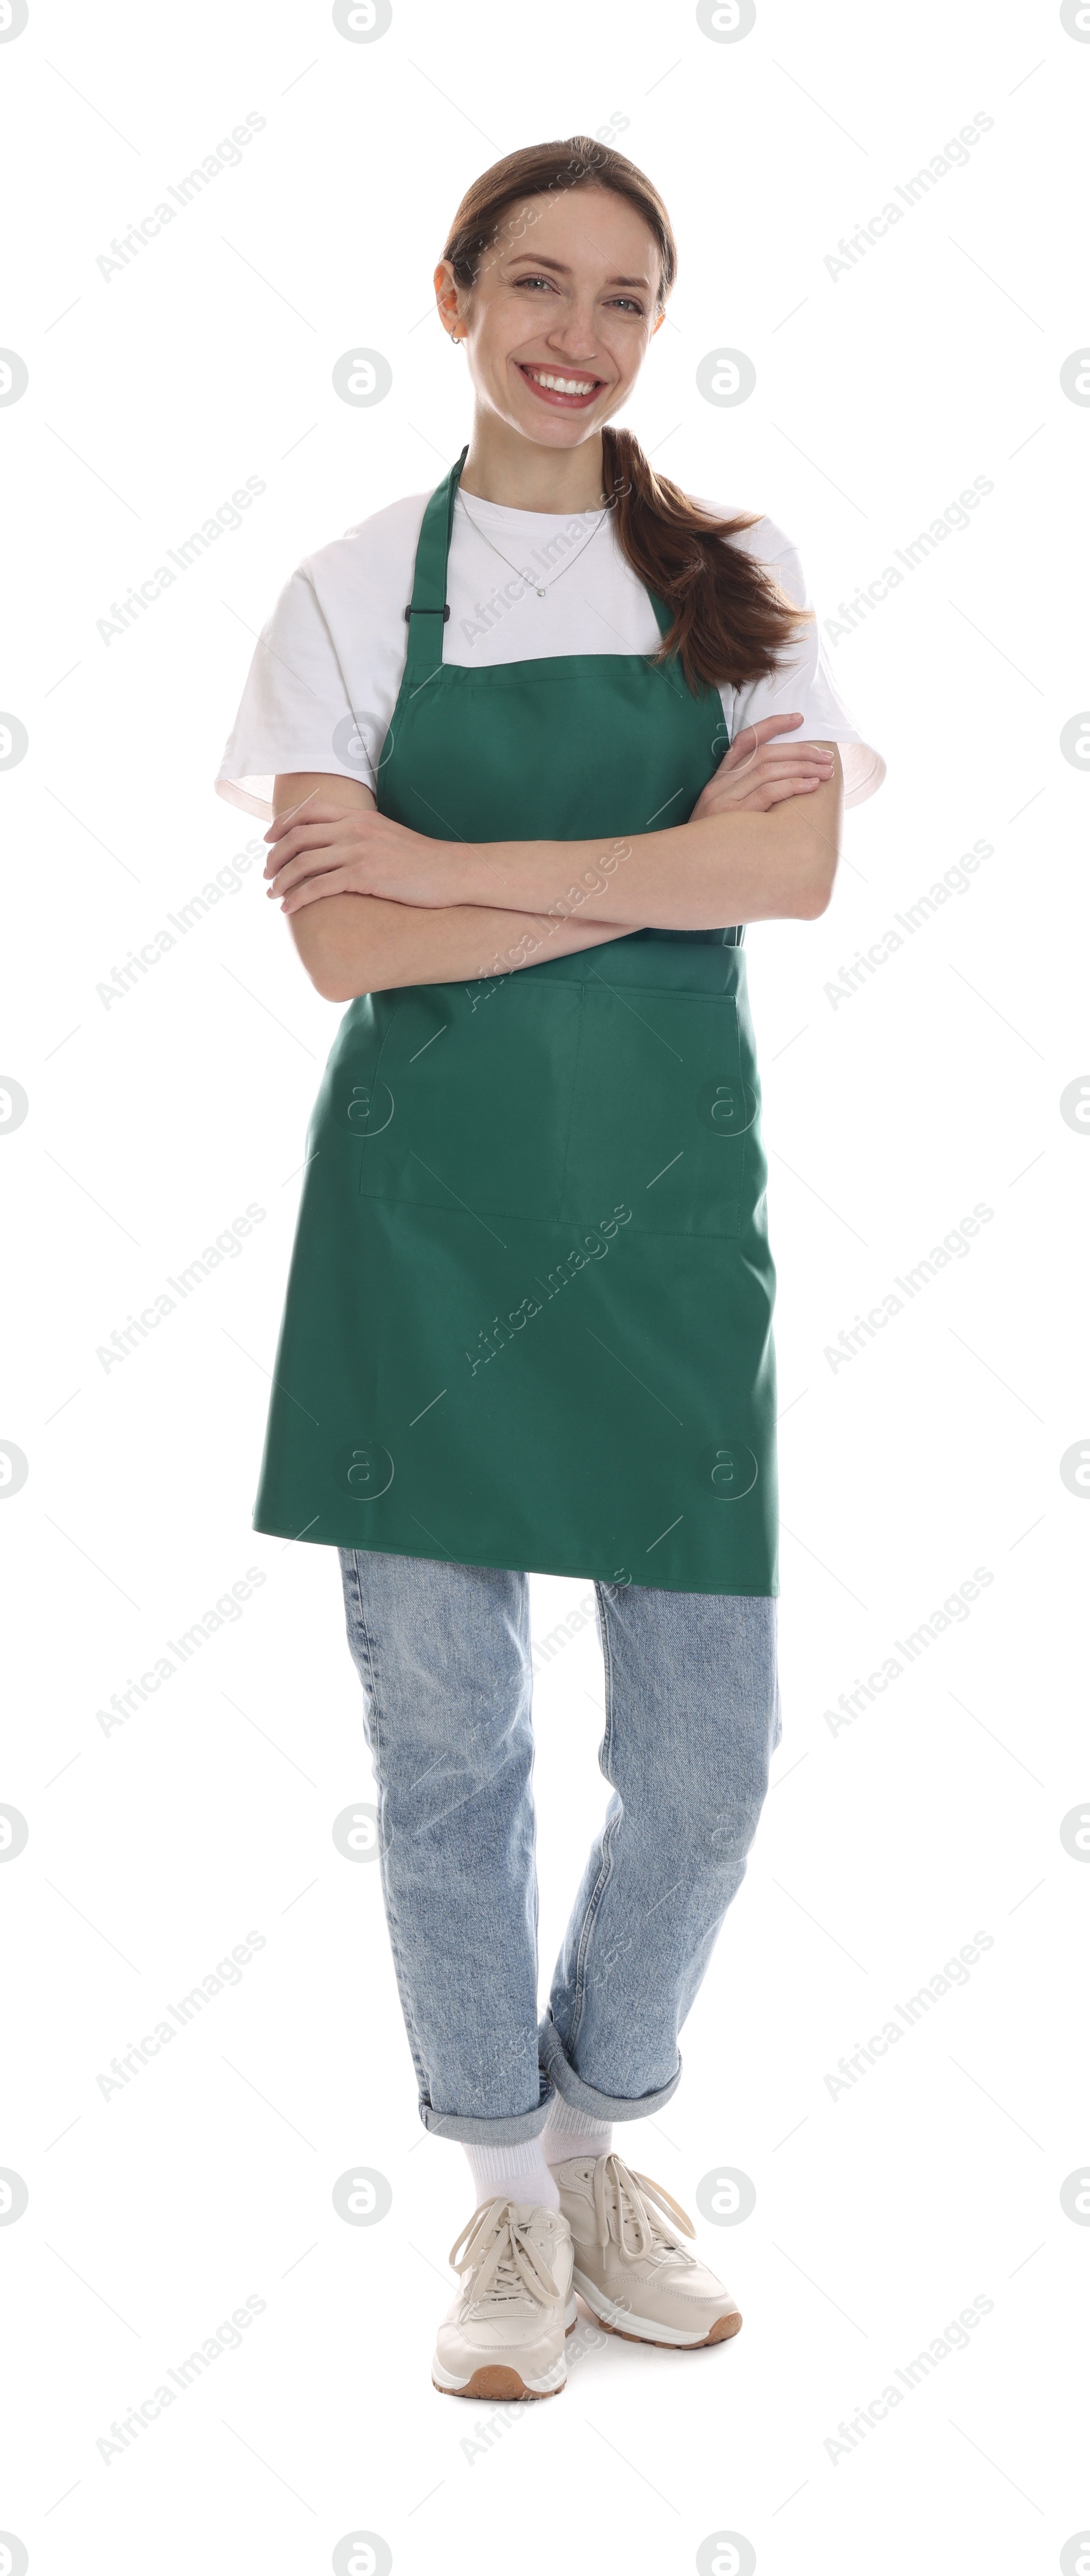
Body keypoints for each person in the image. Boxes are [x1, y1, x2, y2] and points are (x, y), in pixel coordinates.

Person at [215, 135, 885, 2403]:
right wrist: (649, 866)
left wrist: (453, 859)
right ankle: (505, 2213)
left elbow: (789, 888)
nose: (575, 337)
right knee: (448, 1757)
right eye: (534, 283)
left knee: (707, 1755)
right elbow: (339, 948)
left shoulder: (741, 574)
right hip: (419, 1248)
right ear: (452, 294)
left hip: (673, 1249)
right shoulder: (338, 596)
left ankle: (606, 2133)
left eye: (621, 297)